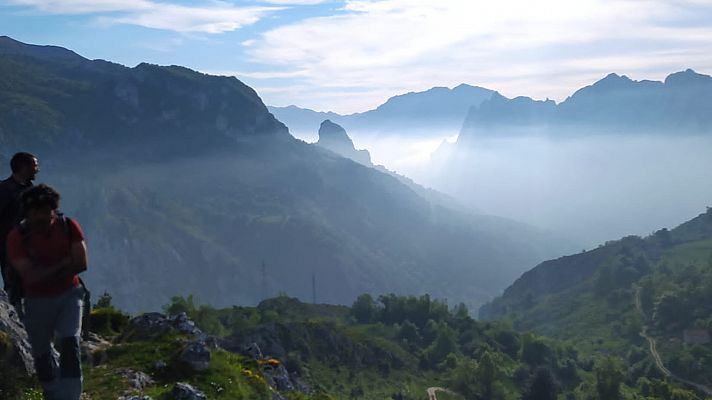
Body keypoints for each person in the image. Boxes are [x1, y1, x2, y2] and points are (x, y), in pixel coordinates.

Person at [7, 184, 87, 400]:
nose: (41, 217)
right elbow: (30, 276)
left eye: (45, 211)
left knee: (70, 343)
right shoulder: (17, 238)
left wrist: (45, 272)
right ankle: (51, 392)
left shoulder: (69, 226)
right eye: (36, 212)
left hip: (69, 295)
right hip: (36, 300)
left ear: (54, 210)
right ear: (27, 213)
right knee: (41, 351)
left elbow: (81, 263)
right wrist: (63, 264)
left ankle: (70, 396)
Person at [0, 152, 39, 310]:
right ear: (23, 168)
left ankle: (16, 314)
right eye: (34, 166)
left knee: (20, 282)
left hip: (22, 245)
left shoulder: (32, 191)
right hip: (5, 243)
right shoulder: (3, 190)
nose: (37, 170)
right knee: (13, 279)